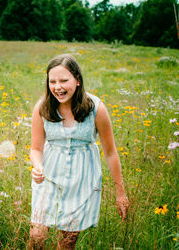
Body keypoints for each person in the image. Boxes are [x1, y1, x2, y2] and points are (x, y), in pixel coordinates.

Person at [28, 54, 129, 250]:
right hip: (49, 177)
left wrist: (120, 193)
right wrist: (38, 166)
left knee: (67, 242)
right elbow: (36, 148)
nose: (58, 87)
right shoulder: (42, 108)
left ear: (77, 80)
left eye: (64, 80)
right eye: (52, 81)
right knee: (37, 235)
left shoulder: (96, 108)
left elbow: (111, 153)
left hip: (82, 180)